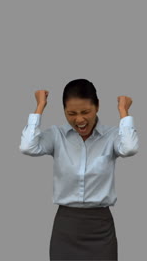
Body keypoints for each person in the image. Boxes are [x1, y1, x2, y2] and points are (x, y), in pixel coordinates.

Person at [19, 78, 139, 260]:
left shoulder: (112, 136)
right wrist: (40, 107)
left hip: (100, 226)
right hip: (66, 226)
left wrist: (124, 112)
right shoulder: (57, 136)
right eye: (71, 113)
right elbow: (28, 147)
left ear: (97, 107)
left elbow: (129, 148)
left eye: (85, 112)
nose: (79, 119)